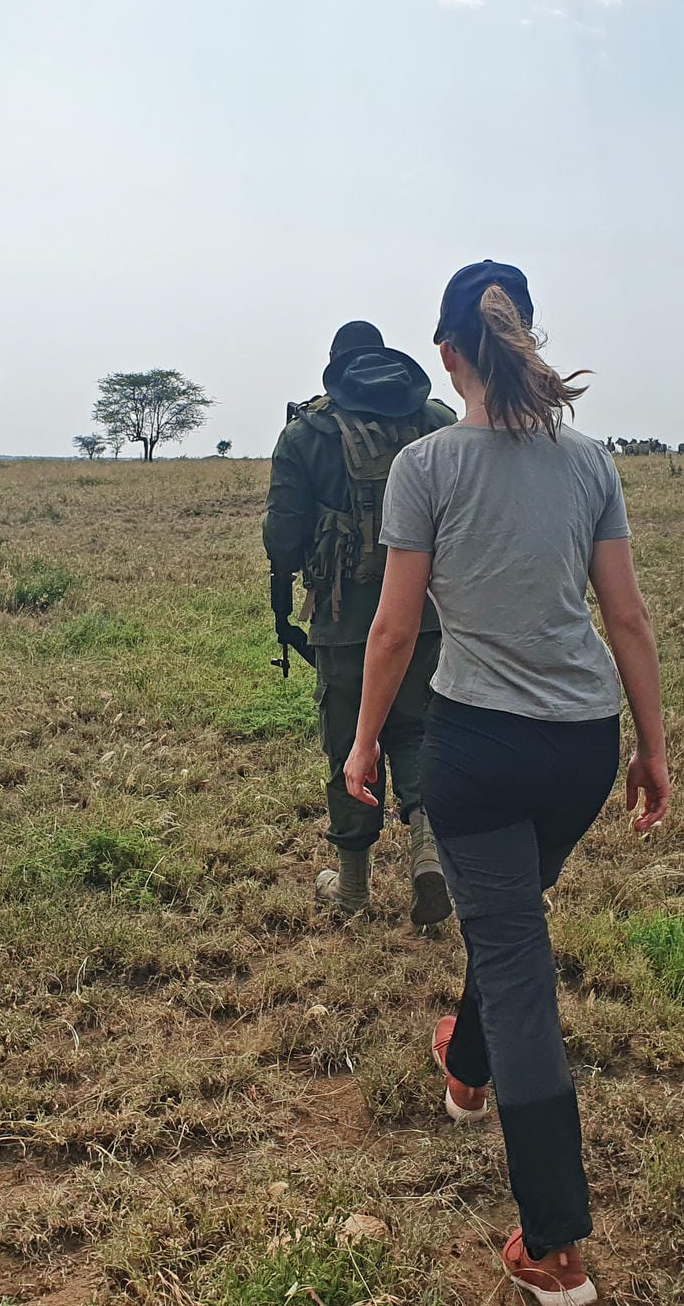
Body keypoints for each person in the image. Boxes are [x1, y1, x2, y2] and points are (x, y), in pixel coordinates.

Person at [342, 262, 671, 1304]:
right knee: (508, 920)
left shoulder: (426, 464)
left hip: (478, 747)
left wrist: (359, 750)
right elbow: (627, 618)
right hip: (581, 745)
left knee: (519, 966)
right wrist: (652, 747)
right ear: (520, 343)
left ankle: (554, 1247)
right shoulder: (589, 463)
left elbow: (394, 628)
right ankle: (464, 1061)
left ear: (448, 356)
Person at [264, 320, 458, 923]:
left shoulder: (308, 432)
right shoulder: (437, 421)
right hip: (427, 612)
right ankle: (428, 855)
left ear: (335, 367)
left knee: (352, 741)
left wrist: (290, 592)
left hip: (344, 618)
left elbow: (281, 537)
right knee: (419, 729)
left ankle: (352, 890)